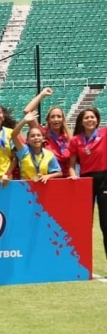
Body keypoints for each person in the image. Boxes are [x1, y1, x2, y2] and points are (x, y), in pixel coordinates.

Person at [67, 107, 107, 260]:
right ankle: (81, 263)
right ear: (81, 122)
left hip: (104, 179)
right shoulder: (76, 140)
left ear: (97, 120)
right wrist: (72, 176)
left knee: (105, 224)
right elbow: (71, 166)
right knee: (84, 225)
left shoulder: (105, 133)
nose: (90, 120)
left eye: (93, 117)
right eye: (86, 118)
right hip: (85, 181)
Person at [22, 87, 71, 177]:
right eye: (52, 117)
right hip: (47, 179)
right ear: (48, 120)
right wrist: (42, 95)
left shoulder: (68, 138)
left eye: (59, 116)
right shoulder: (42, 133)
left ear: (63, 119)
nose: (56, 119)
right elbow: (27, 111)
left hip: (67, 179)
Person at [3, 112, 61, 185]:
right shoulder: (23, 151)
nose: (36, 138)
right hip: (25, 188)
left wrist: (48, 176)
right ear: (27, 140)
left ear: (43, 139)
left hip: (42, 188)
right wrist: (24, 121)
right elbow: (14, 135)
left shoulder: (49, 154)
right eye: (32, 136)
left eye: (38, 135)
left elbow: (59, 172)